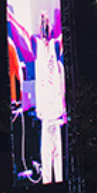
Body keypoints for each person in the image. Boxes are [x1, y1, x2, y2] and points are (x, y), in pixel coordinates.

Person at [32, 13, 66, 184]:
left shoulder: (54, 57)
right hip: (48, 113)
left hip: (53, 112)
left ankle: (57, 179)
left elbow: (61, 84)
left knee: (55, 151)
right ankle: (48, 180)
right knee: (47, 151)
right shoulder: (42, 57)